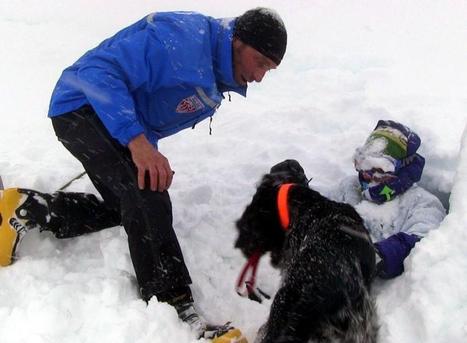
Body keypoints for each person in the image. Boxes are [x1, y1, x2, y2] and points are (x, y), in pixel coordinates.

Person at [0, 7, 287, 339]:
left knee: (132, 204)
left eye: (270, 68)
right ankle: (175, 308)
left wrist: (145, 145)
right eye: (261, 62)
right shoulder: (182, 39)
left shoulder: (214, 69)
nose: (261, 76)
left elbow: (148, 103)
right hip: (81, 107)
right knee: (146, 195)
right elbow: (97, 72)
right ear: (239, 42)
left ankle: (28, 209)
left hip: (110, 117)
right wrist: (136, 142)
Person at [328, 120, 446, 278]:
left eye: (379, 170)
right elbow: (319, 208)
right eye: (364, 166)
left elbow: (424, 241)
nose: (368, 177)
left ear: (402, 169)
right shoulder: (349, 187)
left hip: (390, 298)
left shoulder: (422, 203)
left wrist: (376, 255)